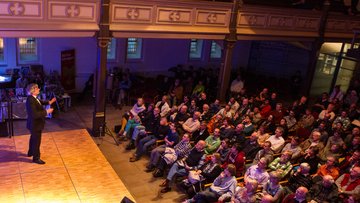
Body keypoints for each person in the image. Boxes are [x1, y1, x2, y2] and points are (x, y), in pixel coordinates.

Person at [26, 83, 56, 164]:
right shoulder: (31, 100)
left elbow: (40, 102)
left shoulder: (33, 98)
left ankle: (30, 152)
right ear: (33, 90)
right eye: (37, 88)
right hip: (35, 124)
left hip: (34, 124)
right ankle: (36, 158)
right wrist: (47, 111)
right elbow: (35, 114)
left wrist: (49, 102)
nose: (39, 89)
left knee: (33, 138)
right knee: (36, 141)